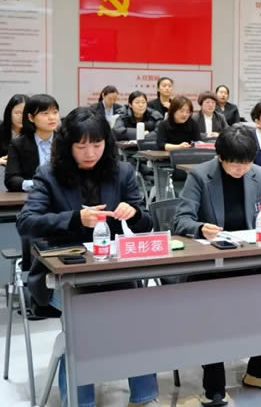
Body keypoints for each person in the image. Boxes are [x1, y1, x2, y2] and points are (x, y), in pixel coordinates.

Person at [16, 107, 159, 407]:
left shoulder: (121, 172)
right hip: (65, 275)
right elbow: (26, 223)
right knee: (82, 325)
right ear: (68, 146)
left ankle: (144, 398)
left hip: (114, 271)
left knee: (139, 321)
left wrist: (134, 214)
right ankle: (80, 402)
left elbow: (146, 223)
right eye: (81, 146)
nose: (90, 153)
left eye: (97, 144)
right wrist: (75, 219)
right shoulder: (49, 174)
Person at [175, 124, 261, 406]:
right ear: (220, 157)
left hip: (250, 259)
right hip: (212, 265)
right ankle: (214, 385)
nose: (241, 169)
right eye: (235, 164)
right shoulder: (200, 176)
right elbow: (180, 220)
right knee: (211, 307)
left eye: (246, 163)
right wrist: (200, 227)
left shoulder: (257, 173)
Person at [5, 94, 59, 192]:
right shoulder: (18, 144)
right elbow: (11, 180)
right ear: (31, 117)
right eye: (45, 113)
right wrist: (37, 184)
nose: (52, 117)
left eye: (55, 112)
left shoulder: (65, 141)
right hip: (33, 196)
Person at [0, 94, 26, 166]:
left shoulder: (34, 132)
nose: (21, 117)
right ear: (9, 112)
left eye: (25, 113)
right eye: (17, 113)